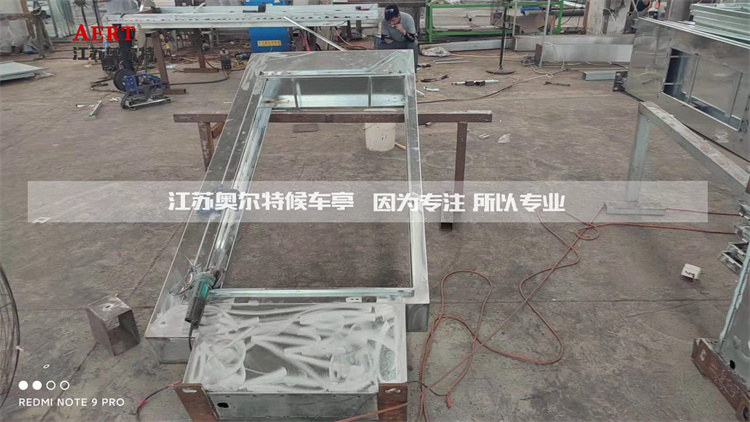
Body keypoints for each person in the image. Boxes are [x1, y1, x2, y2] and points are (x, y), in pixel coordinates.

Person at [376, 5, 418, 70]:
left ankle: (413, 69)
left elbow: (412, 38)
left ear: (398, 16)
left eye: (393, 20)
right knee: (381, 46)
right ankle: (383, 69)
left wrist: (403, 31)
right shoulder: (384, 22)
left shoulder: (408, 18)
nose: (391, 23)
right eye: (389, 21)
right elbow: (383, 36)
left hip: (406, 42)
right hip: (394, 42)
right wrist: (386, 39)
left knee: (414, 45)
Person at [100, 0, 139, 71]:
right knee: (124, 44)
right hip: (117, 16)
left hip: (130, 13)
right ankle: (128, 69)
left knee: (130, 43)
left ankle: (128, 65)